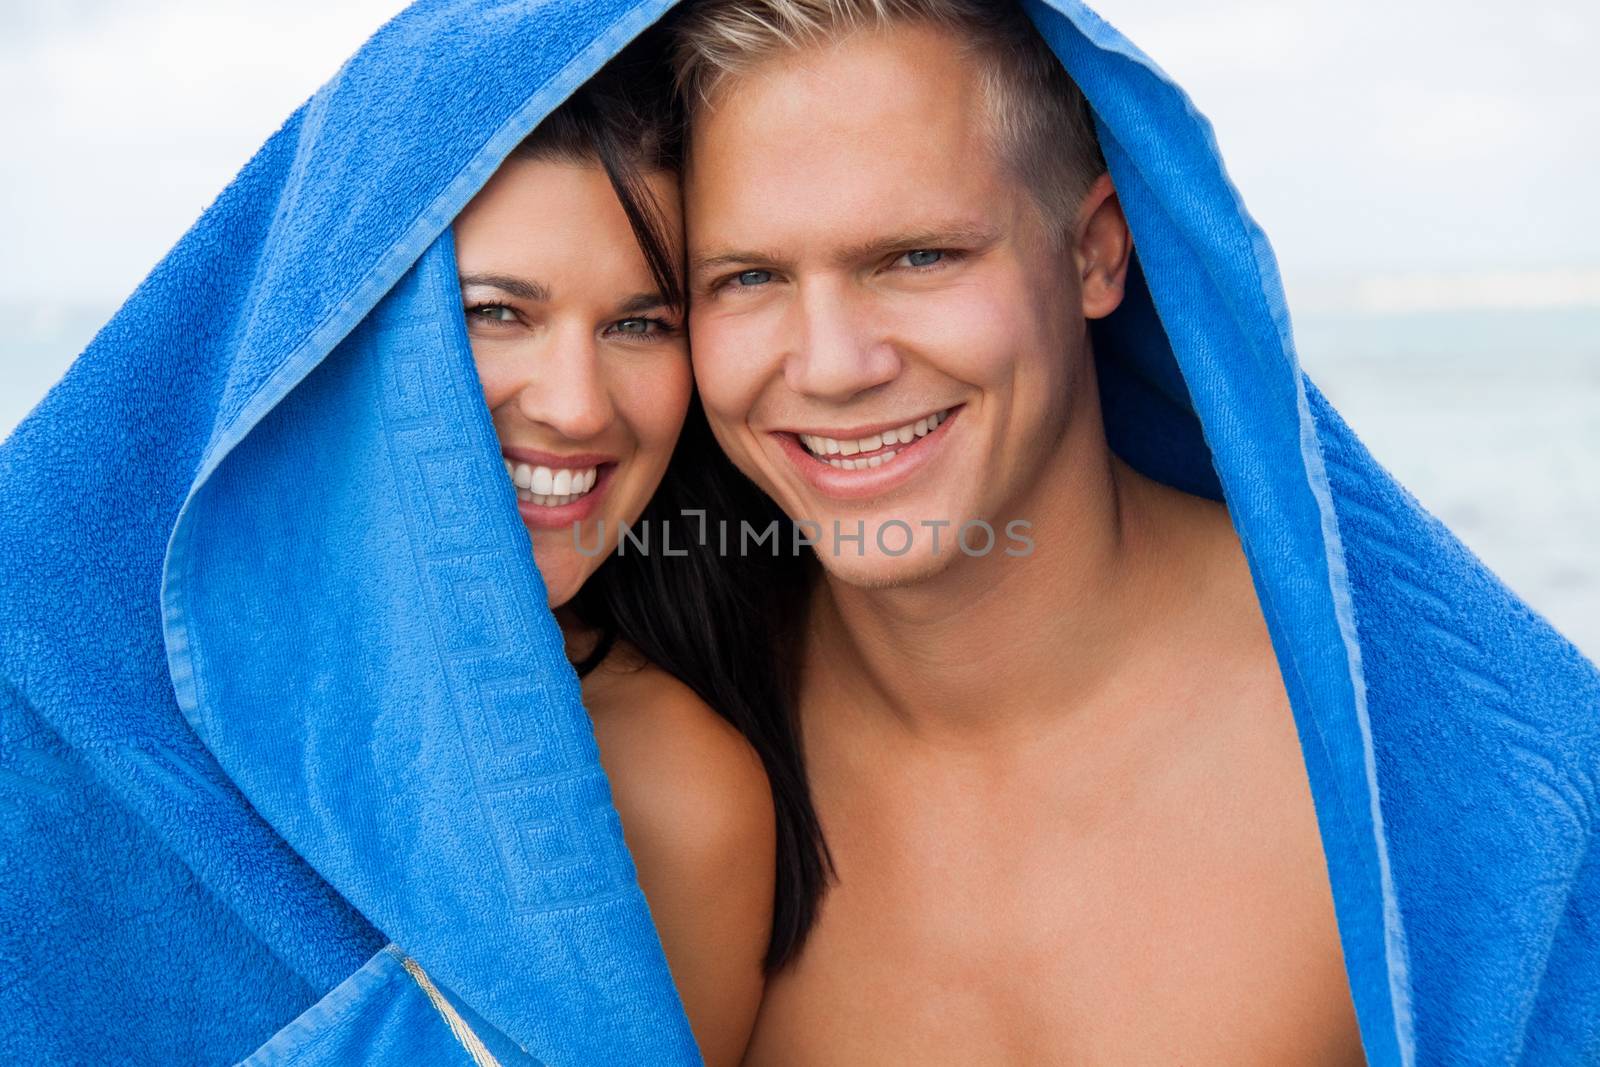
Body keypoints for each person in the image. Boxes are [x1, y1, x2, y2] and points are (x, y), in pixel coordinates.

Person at [666, 0, 1600, 1062]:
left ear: (1096, 253)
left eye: (917, 257)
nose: (832, 363)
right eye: (746, 278)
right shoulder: (664, 765)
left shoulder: (1422, 742)